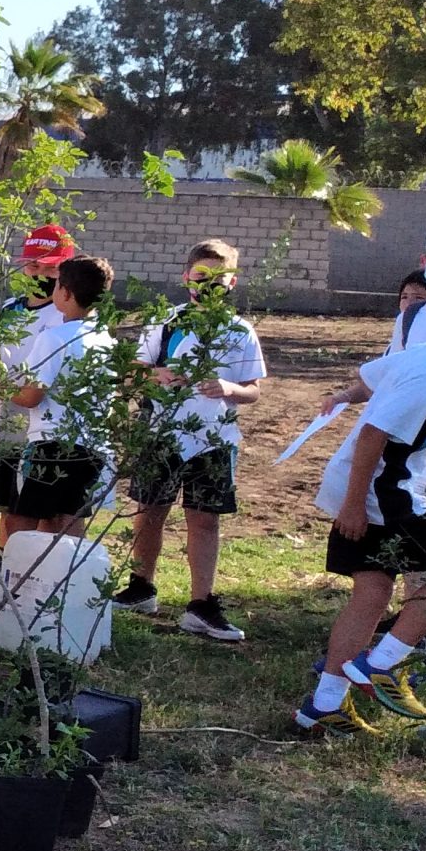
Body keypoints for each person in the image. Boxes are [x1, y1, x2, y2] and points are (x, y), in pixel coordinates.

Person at [115, 240, 267, 641]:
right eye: (202, 277)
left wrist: (229, 388)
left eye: (219, 279)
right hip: (161, 433)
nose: (210, 285)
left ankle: (202, 604)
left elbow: (253, 389)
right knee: (150, 510)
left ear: (232, 282)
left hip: (213, 440)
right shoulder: (166, 322)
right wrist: (156, 376)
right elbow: (134, 373)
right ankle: (140, 587)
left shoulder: (240, 330)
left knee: (204, 519)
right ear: (187, 278)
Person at [298, 343, 426, 734]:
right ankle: (383, 665)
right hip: (382, 491)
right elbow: (373, 434)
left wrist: (343, 395)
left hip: (386, 487)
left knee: (372, 593)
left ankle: (324, 707)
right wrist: (354, 504)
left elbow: (370, 377)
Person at [5, 255, 117, 538]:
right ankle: (65, 580)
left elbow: (31, 396)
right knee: (68, 521)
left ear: (64, 293)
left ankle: (17, 577)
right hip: (91, 445)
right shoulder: (106, 339)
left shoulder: (53, 338)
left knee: (22, 520)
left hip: (50, 444)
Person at [0, 226, 76, 544]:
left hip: (46, 428)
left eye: (51, 267)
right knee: (9, 508)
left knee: (47, 513)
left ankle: (46, 576)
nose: (40, 273)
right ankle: (8, 573)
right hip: (6, 424)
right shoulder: (9, 309)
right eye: (33, 265)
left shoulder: (66, 313)